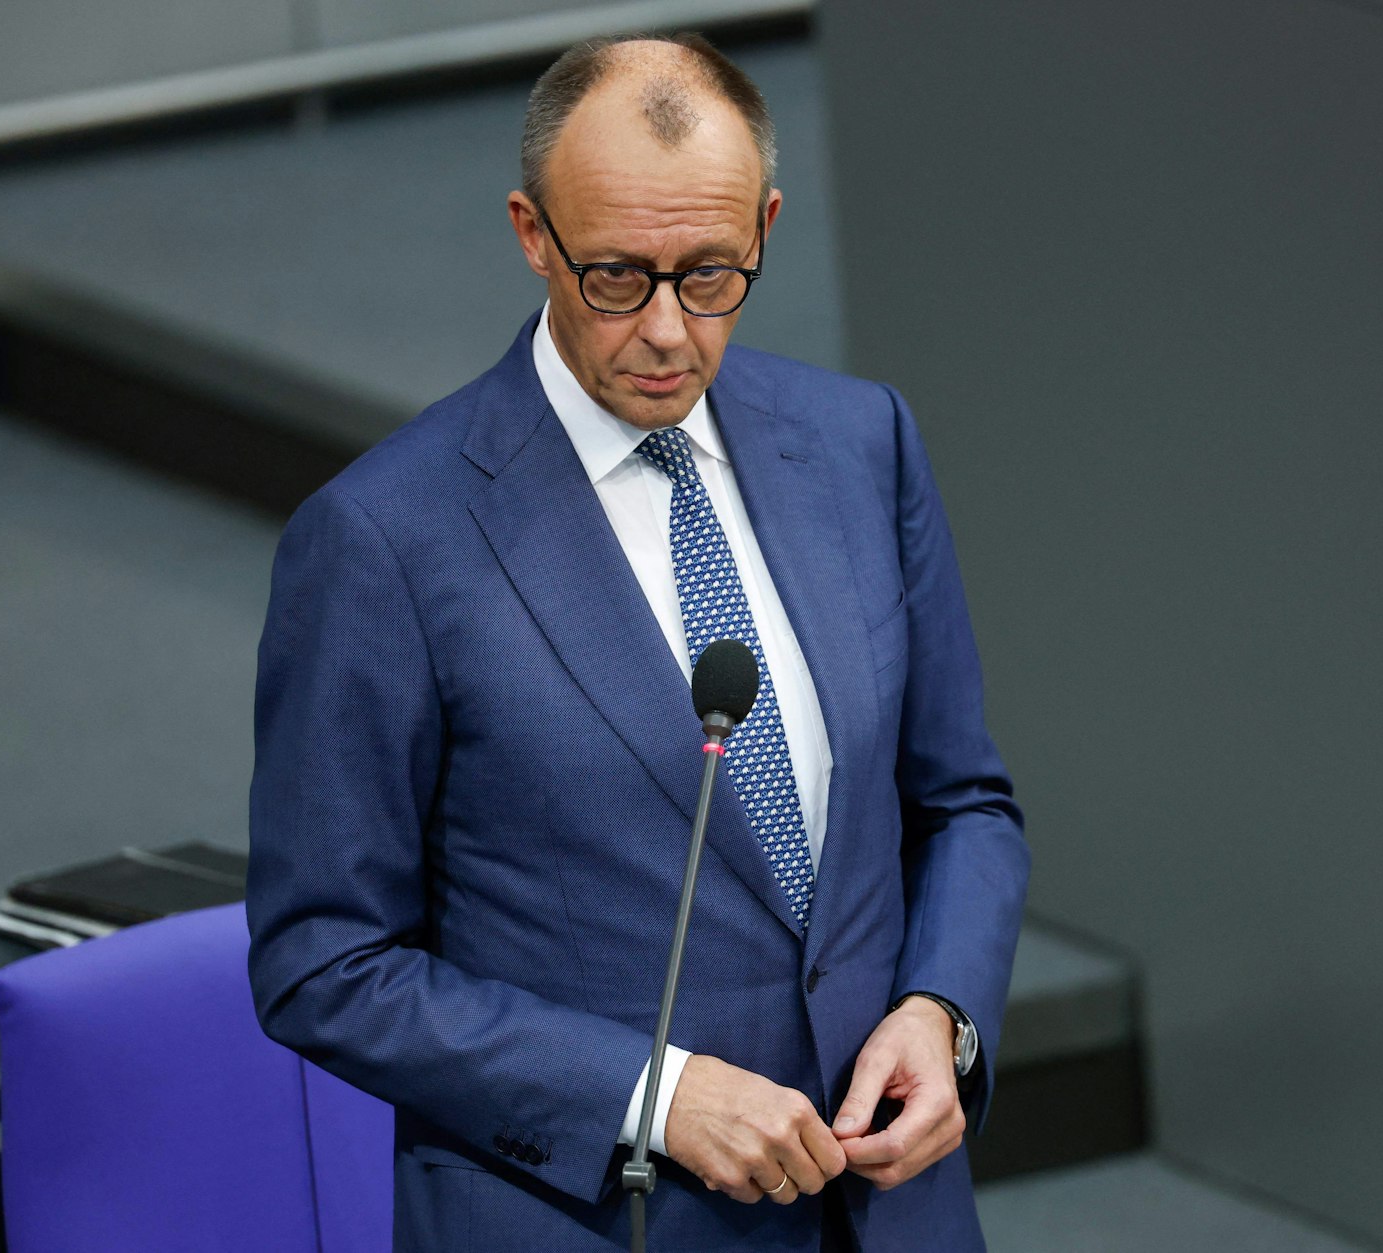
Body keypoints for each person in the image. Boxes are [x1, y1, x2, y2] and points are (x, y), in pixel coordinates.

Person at [245, 32, 1029, 1253]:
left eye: (712, 273)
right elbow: (322, 962)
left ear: (765, 224)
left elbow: (963, 800)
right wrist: (652, 1097)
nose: (666, 329)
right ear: (530, 233)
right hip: (601, 1220)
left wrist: (942, 1012)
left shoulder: (859, 441)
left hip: (890, 1213)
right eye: (615, 276)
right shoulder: (383, 540)